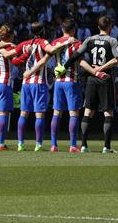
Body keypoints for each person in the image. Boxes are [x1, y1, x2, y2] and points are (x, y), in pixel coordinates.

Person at [58, 16, 118, 153]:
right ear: (109, 26)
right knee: (108, 113)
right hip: (106, 78)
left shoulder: (89, 39)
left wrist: (64, 66)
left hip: (92, 78)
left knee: (88, 112)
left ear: (98, 27)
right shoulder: (112, 40)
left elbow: (75, 55)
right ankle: (106, 147)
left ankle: (84, 146)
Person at [9, 22, 75, 152]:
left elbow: (11, 56)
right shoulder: (43, 42)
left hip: (26, 83)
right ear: (43, 30)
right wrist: (66, 43)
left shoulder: (24, 44)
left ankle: (20, 144)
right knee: (39, 115)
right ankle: (38, 144)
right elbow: (51, 50)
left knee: (23, 114)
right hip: (39, 82)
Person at [49, 19, 82, 152]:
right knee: (73, 113)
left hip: (58, 82)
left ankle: (53, 145)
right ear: (73, 30)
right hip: (71, 81)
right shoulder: (77, 43)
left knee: (57, 113)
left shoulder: (55, 42)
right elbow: (81, 60)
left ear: (62, 30)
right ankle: (73, 145)